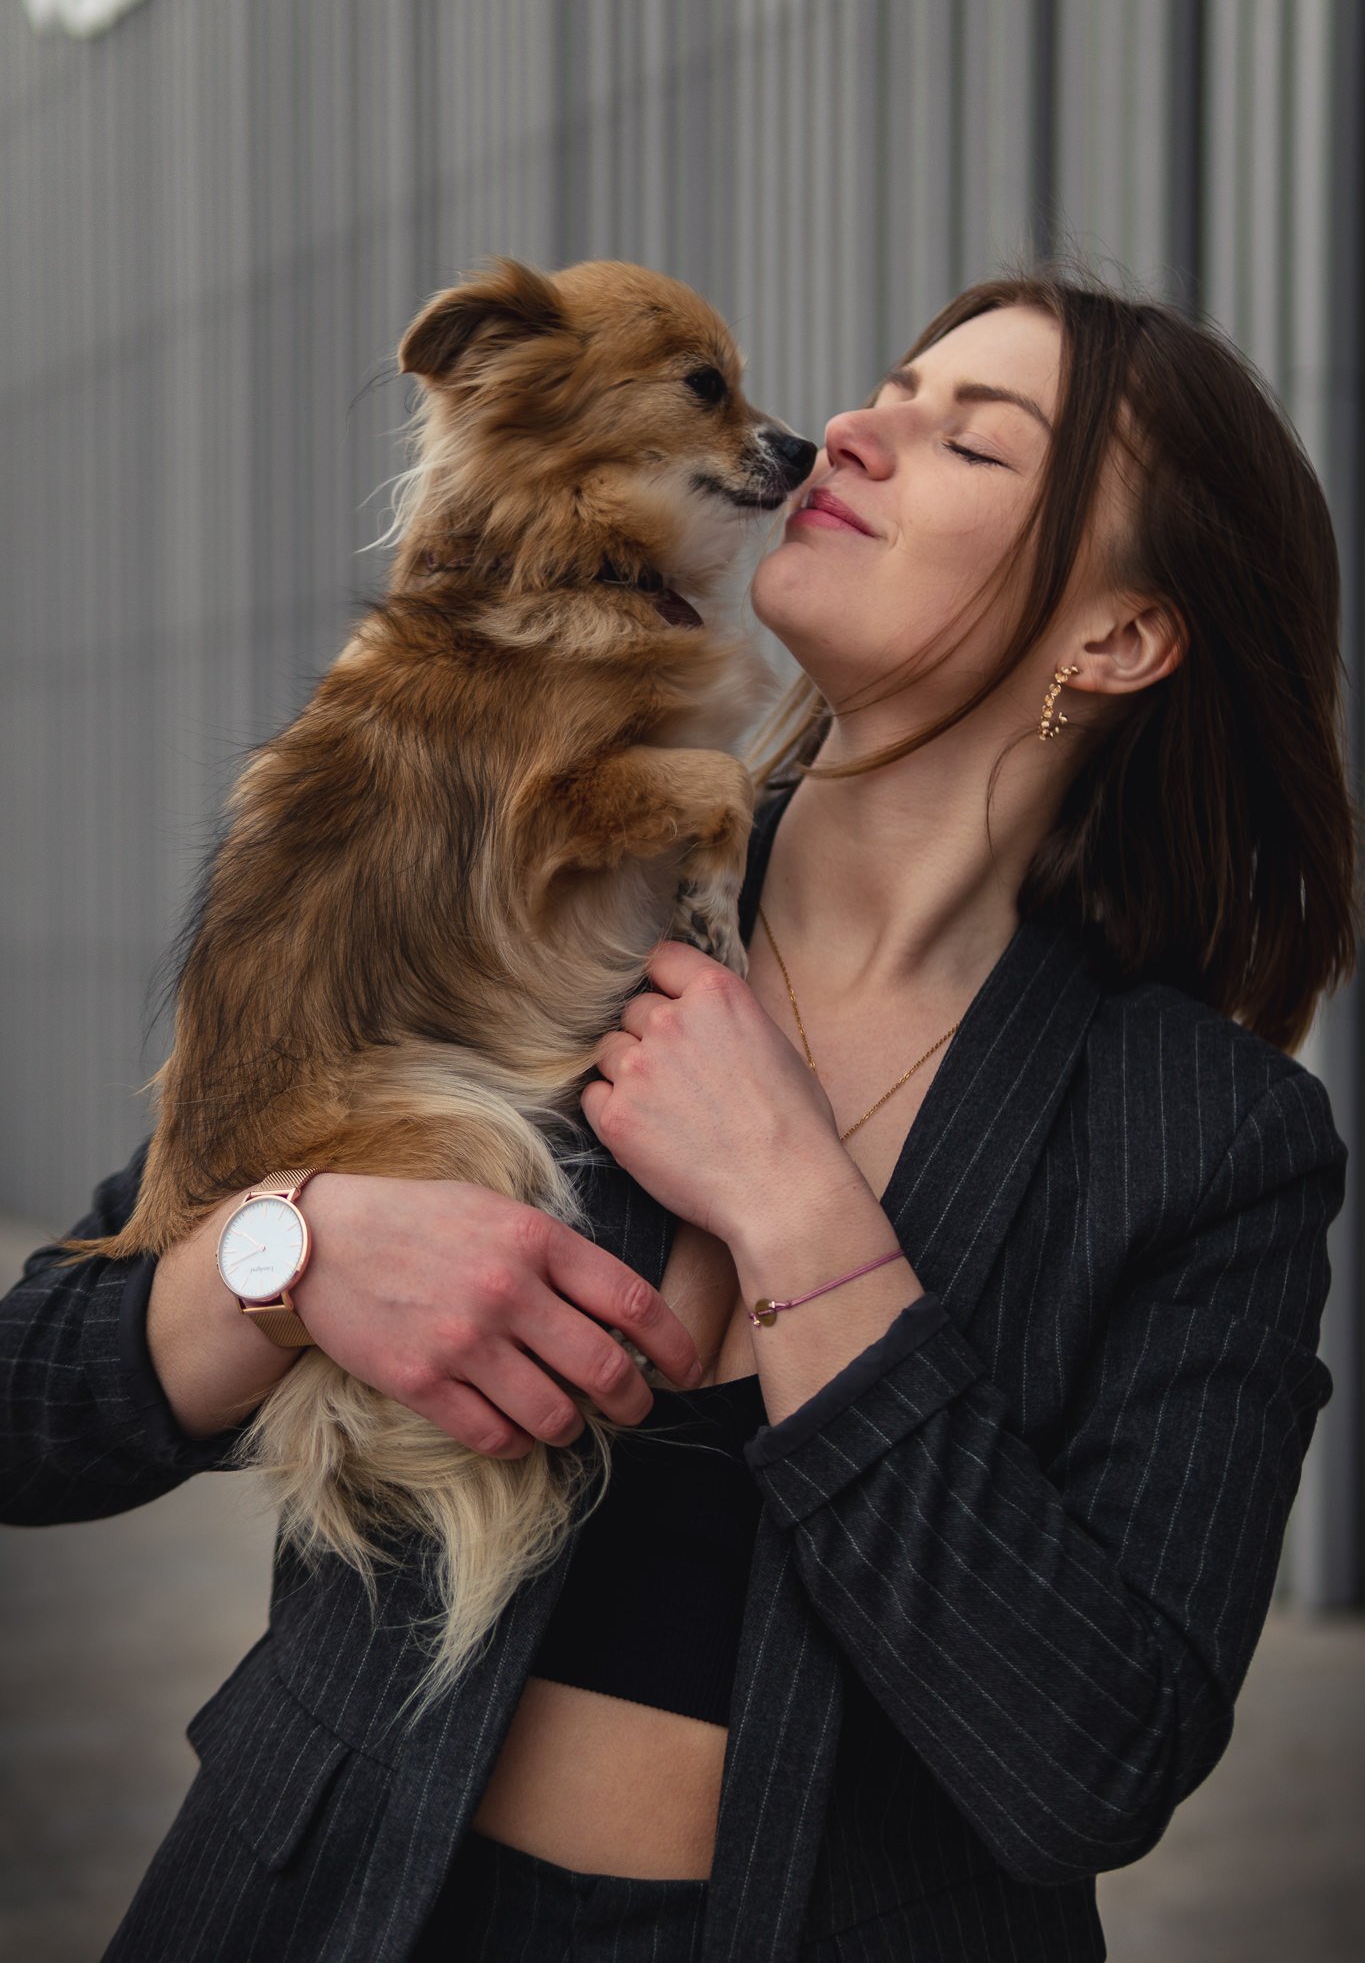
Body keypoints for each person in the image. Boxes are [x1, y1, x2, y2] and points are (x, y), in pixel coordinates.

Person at [1, 263, 1356, 1963]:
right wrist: (295, 1252)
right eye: (887, 384)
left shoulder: (1207, 1139)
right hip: (311, 1911)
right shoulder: (532, 865)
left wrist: (802, 1215)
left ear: (1116, 636)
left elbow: (1092, 1765)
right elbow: (25, 1397)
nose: (852, 426)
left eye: (974, 442)